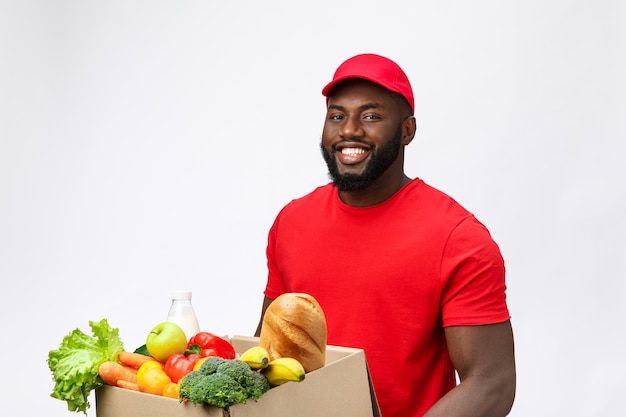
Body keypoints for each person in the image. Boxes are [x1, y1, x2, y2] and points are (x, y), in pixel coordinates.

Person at [255, 53, 516, 417]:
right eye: (337, 115)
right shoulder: (291, 221)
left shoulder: (458, 238)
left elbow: (492, 382)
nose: (348, 130)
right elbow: (268, 350)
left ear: (407, 130)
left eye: (371, 116)